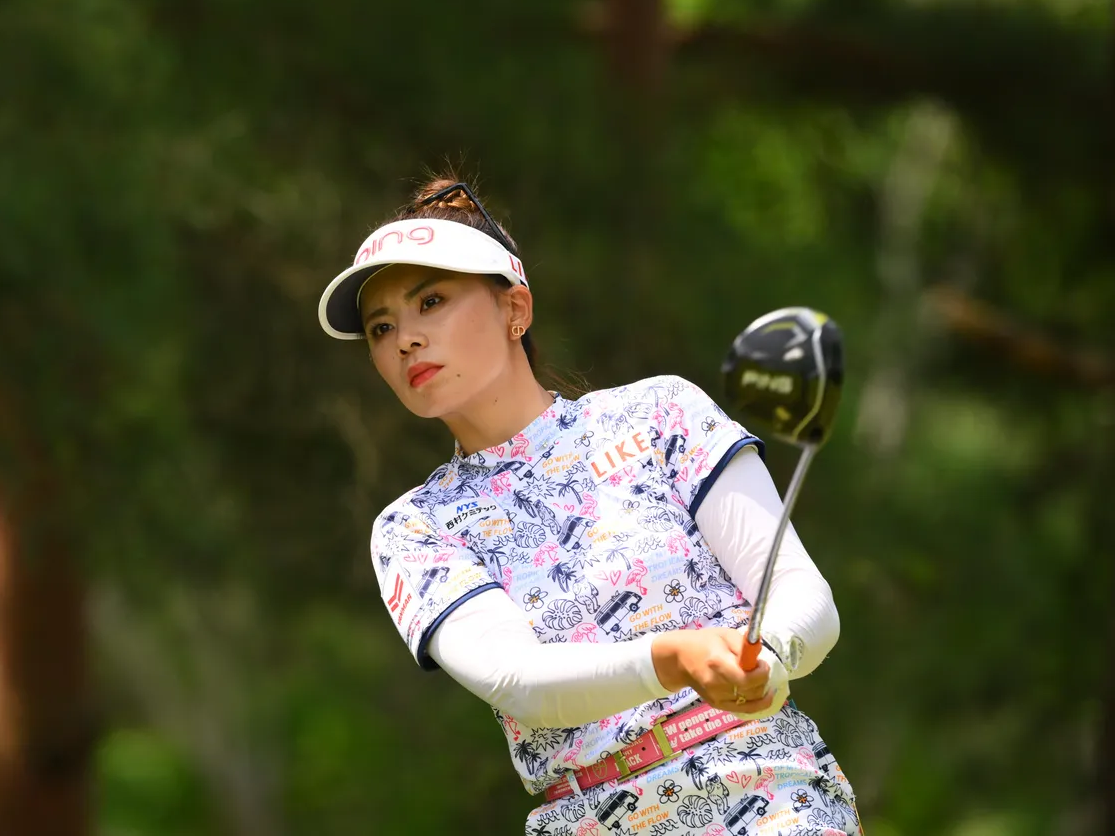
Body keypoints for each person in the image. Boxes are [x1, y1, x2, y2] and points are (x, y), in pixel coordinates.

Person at [317, 177, 862, 836]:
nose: (404, 339)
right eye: (381, 327)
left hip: (771, 794)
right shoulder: (412, 528)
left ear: (515, 308)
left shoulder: (661, 413)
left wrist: (767, 657)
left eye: (431, 301)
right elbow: (518, 679)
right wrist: (674, 658)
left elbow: (804, 596)